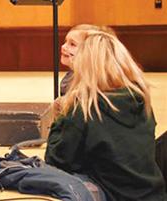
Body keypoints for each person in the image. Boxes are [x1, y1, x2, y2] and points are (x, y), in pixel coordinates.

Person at [45, 30, 167, 201]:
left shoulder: (85, 107)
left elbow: (56, 160)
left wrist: (60, 118)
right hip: (155, 194)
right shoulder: (140, 100)